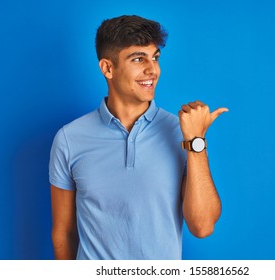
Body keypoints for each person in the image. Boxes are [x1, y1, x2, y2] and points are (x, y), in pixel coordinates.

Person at [49, 15, 228, 260]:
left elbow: (202, 226)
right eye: (138, 59)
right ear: (107, 68)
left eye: (155, 57)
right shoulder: (69, 139)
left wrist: (196, 142)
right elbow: (64, 233)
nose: (152, 69)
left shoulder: (181, 133)